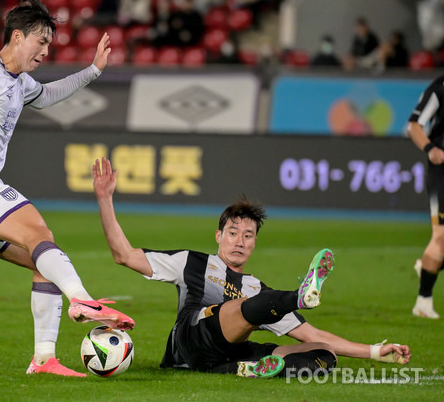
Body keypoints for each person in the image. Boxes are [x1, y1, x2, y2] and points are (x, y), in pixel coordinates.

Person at [0, 0, 135, 378]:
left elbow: (48, 95)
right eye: (41, 41)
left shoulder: (17, 81)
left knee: (44, 259)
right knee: (41, 234)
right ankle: (84, 301)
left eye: (49, 44)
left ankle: (44, 358)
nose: (45, 50)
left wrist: (93, 70)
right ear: (17, 37)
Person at [92, 157, 412, 376]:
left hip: (226, 358)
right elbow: (124, 254)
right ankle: (300, 296)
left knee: (322, 355)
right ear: (219, 236)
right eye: (233, 233)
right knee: (247, 305)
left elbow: (310, 332)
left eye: (248, 235)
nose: (239, 241)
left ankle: (244, 370)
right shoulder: (193, 262)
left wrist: (373, 351)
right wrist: (105, 198)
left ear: (255, 242)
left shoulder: (256, 288)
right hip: (191, 341)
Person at [407, 75, 444, 319]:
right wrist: (431, 149)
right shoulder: (440, 88)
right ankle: (423, 301)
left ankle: (431, 265)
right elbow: (414, 125)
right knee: (441, 237)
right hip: (443, 170)